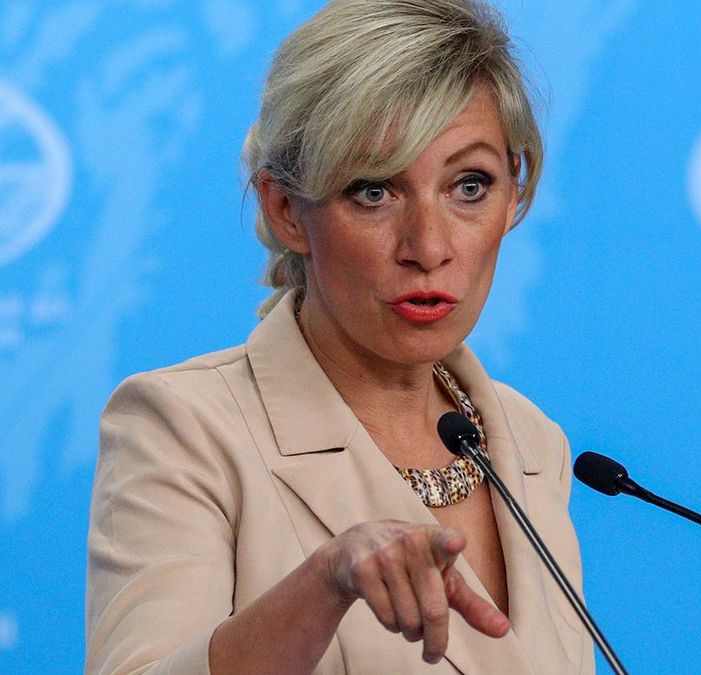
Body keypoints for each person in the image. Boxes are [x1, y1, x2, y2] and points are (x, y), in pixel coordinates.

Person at [85, 1, 593, 673]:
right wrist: (322, 584)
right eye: (374, 191)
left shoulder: (531, 444)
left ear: (513, 193)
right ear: (287, 210)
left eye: (469, 185)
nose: (429, 247)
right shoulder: (185, 427)